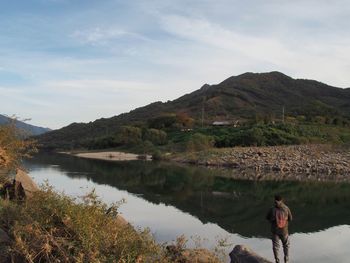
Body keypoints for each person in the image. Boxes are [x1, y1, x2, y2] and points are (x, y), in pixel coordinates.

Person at [266, 194, 292, 263]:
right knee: (286, 245)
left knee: (276, 246)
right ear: (282, 200)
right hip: (284, 231)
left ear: (274, 200)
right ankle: (286, 259)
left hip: (275, 231)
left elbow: (267, 218)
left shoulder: (272, 209)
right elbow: (290, 219)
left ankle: (277, 260)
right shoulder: (286, 208)